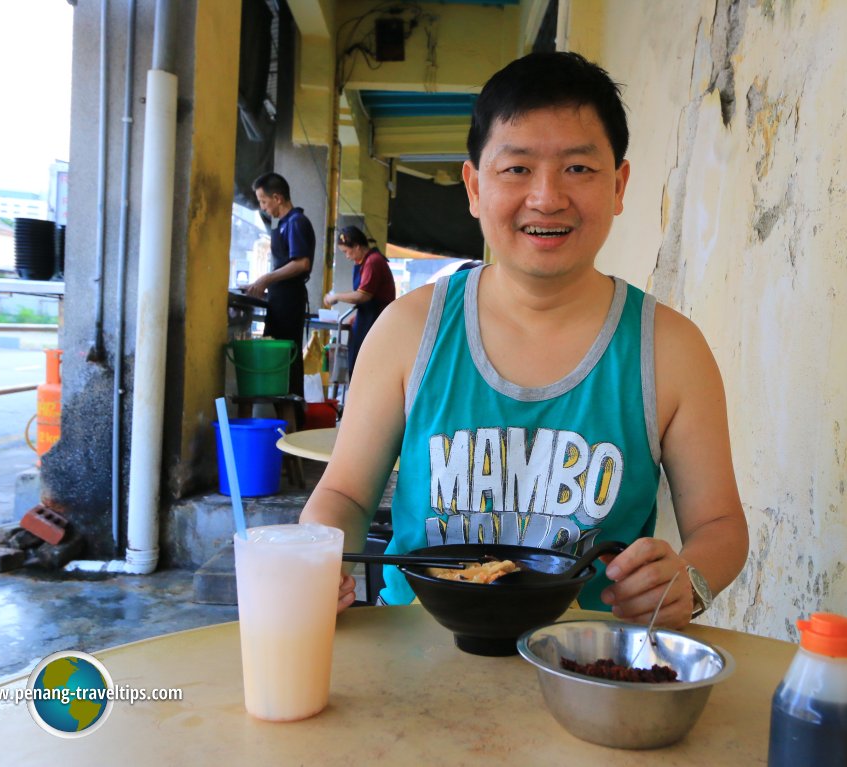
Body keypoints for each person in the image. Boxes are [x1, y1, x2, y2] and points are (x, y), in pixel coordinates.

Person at [301, 51, 748, 629]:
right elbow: (347, 494)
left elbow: (719, 527)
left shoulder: (670, 348)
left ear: (619, 185)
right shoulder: (408, 332)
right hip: (418, 652)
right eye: (516, 169)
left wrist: (689, 578)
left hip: (590, 664)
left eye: (579, 169)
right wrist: (311, 556)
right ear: (473, 186)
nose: (547, 197)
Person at [247, 172, 316, 398]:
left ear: (277, 198)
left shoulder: (296, 223)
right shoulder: (285, 224)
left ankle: (291, 418)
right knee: (278, 359)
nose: (263, 208)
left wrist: (266, 279)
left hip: (289, 301)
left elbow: (301, 263)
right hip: (279, 300)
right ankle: (281, 414)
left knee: (286, 361)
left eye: (263, 202)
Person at [322, 226, 397, 376]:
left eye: (346, 251)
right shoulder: (363, 262)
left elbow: (363, 295)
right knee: (356, 362)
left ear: (356, 246)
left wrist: (336, 296)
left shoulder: (372, 262)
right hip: (367, 316)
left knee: (365, 365)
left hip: (376, 318)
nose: (347, 256)